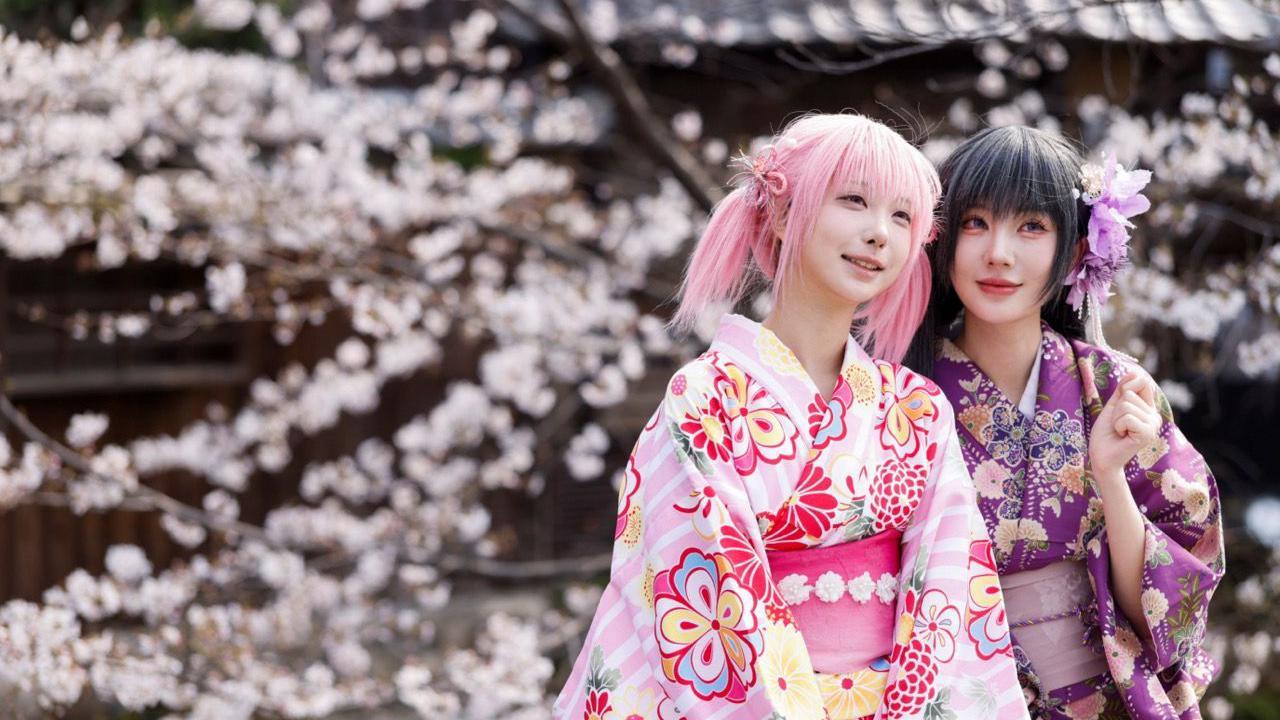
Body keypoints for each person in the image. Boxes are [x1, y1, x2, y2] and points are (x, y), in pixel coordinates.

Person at [554, 113, 1028, 720]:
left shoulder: (916, 407)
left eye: (902, 216)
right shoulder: (704, 399)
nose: (880, 233)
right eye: (854, 200)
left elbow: (952, 591)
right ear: (780, 214)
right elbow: (702, 596)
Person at [908, 125, 1225, 719]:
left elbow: (1164, 606)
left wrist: (1109, 475)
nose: (998, 252)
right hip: (957, 695)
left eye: (1031, 226)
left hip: (1104, 696)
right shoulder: (904, 394)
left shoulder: (1116, 390)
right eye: (975, 222)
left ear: (1077, 248)